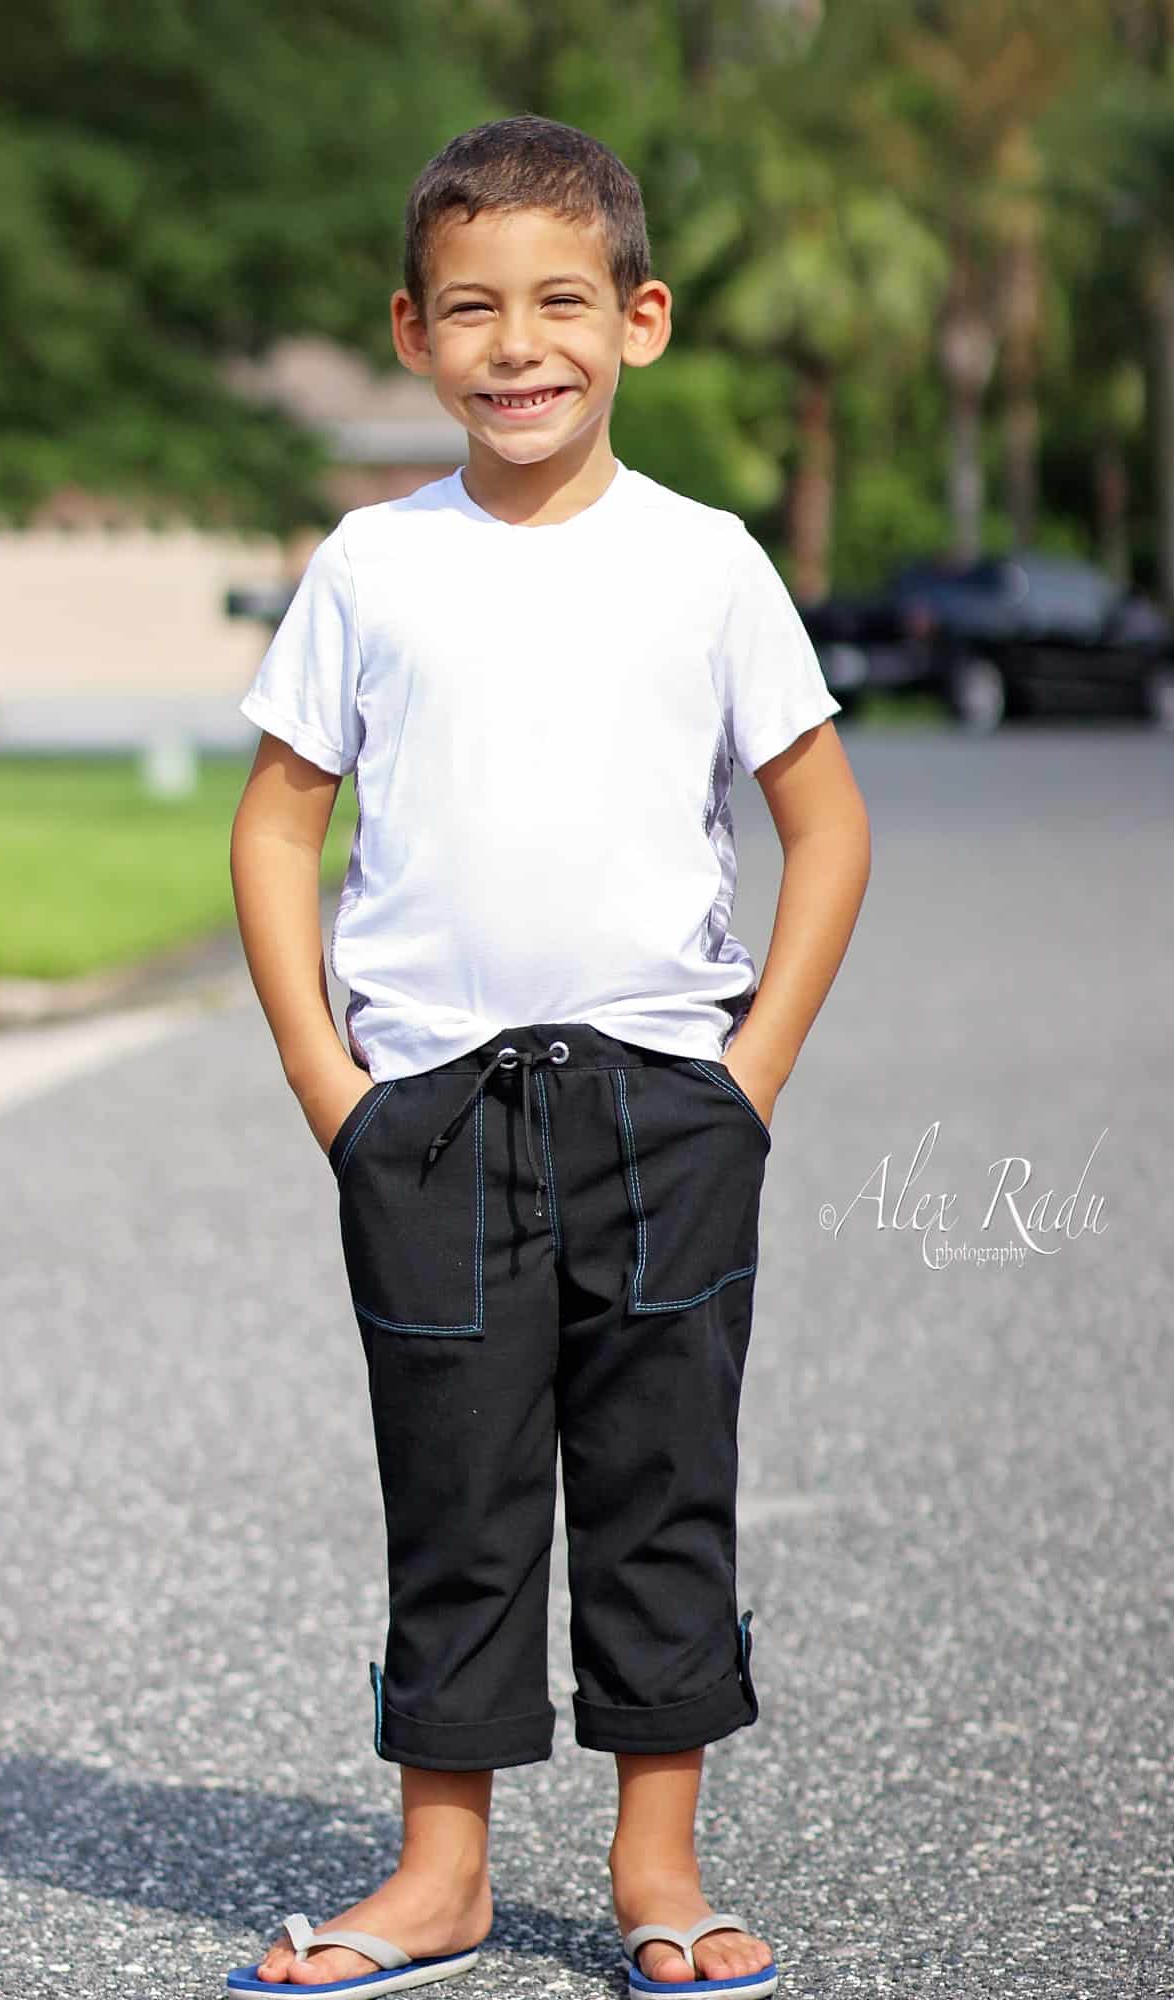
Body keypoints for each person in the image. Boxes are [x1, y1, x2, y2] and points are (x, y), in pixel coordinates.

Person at [227, 113, 870, 2000]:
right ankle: (439, 1876)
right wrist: (331, 1091)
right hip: (428, 1121)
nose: (519, 346)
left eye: (561, 303)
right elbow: (276, 825)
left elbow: (824, 825)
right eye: (472, 309)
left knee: (661, 1490)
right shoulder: (371, 564)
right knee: (457, 1492)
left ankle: (659, 1867)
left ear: (638, 321)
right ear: (411, 331)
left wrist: (747, 1079)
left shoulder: (707, 564)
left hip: (666, 1109)